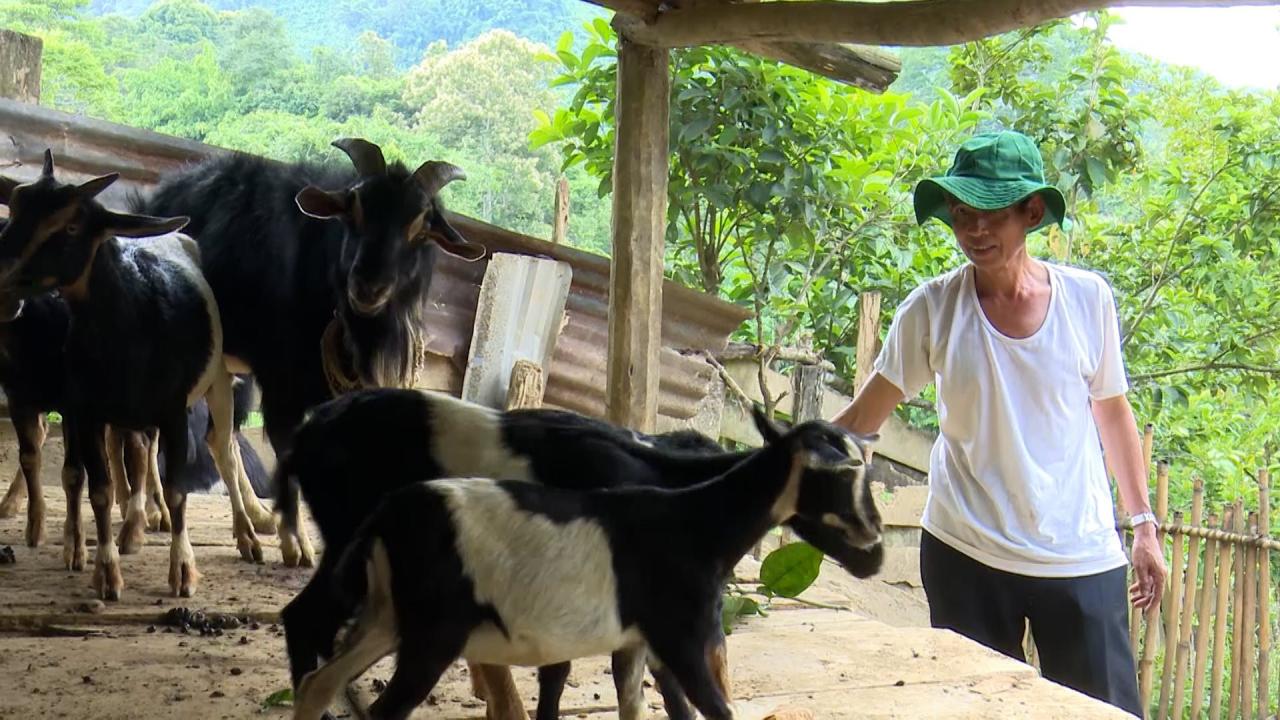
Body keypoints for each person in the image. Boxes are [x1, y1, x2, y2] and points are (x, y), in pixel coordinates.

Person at [831, 130, 1167, 718]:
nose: (974, 232)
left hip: (1078, 554)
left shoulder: (1088, 300)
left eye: (990, 215)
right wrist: (775, 471)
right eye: (962, 215)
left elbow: (1112, 412)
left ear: (1031, 212)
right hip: (967, 552)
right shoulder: (932, 309)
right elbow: (862, 418)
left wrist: (1142, 525)